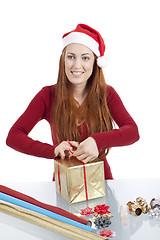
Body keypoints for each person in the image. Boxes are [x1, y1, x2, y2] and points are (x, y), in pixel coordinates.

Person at [6, 24, 140, 180]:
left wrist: (97, 141)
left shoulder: (107, 94)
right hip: (65, 185)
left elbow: (132, 132)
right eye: (71, 57)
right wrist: (53, 150)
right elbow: (14, 136)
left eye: (85, 58)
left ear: (95, 62)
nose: (77, 65)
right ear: (63, 60)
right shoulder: (47, 95)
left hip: (102, 181)